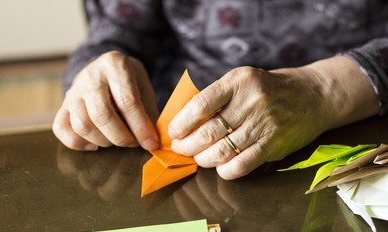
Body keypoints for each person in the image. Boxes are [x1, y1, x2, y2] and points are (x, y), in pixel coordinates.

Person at [53, 0, 388, 180]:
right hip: (189, 143)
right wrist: (97, 71)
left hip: (367, 130)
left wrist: (324, 89)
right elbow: (117, 28)